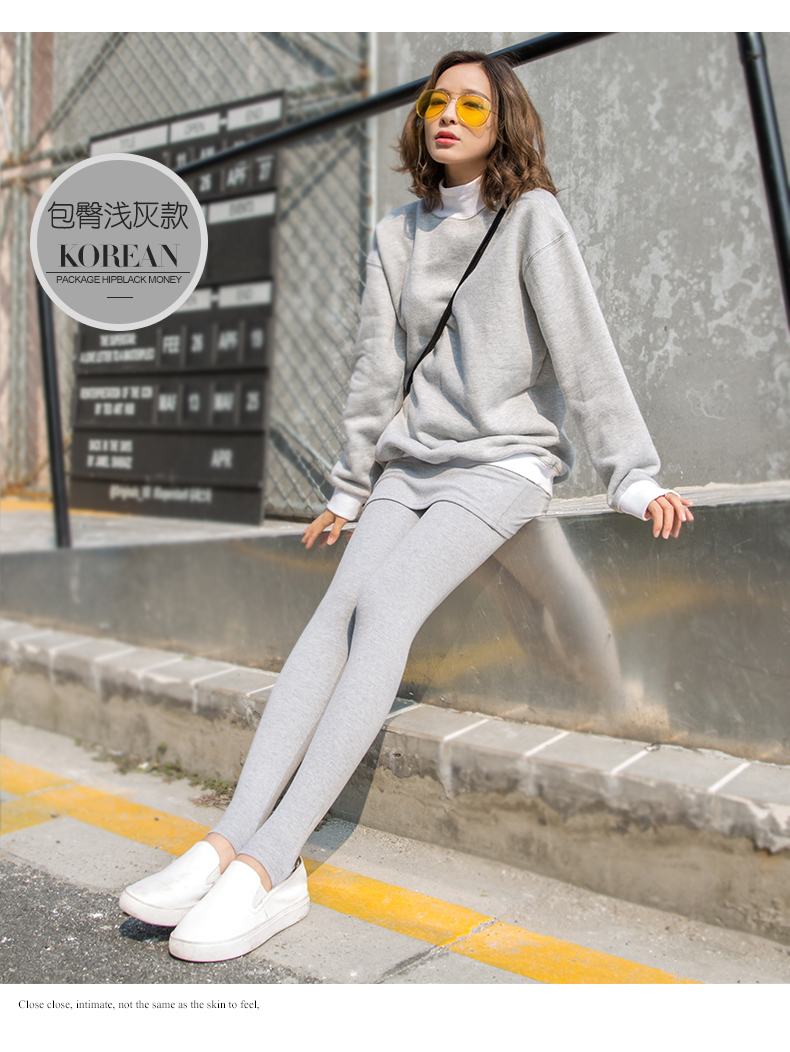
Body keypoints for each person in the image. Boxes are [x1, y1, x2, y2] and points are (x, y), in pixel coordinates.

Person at [119, 49, 693, 963]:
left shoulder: (531, 217)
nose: (450, 115)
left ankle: (273, 862)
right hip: (411, 465)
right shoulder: (396, 233)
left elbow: (584, 345)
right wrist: (350, 486)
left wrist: (632, 471)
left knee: (387, 604)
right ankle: (227, 841)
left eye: (474, 104)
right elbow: (375, 370)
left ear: (505, 122)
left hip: (502, 466)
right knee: (336, 610)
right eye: (438, 102)